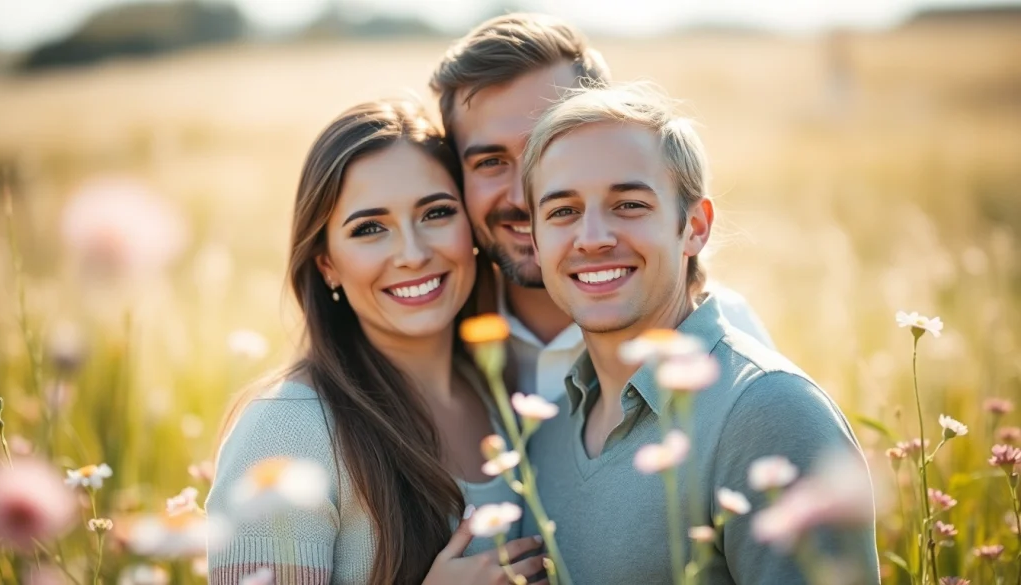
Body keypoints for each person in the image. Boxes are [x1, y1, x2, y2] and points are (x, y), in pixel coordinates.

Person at [517, 83, 880, 584]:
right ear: (535, 242)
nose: (594, 238)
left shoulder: (769, 412)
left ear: (695, 226)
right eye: (563, 211)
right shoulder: (550, 424)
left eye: (629, 205)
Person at [206, 99, 547, 585]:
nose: (412, 254)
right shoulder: (286, 432)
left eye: (436, 213)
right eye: (370, 228)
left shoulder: (506, 387)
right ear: (327, 264)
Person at [430, 13, 775, 403]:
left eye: (546, 153)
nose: (522, 197)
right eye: (490, 162)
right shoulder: (434, 335)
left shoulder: (725, 343)